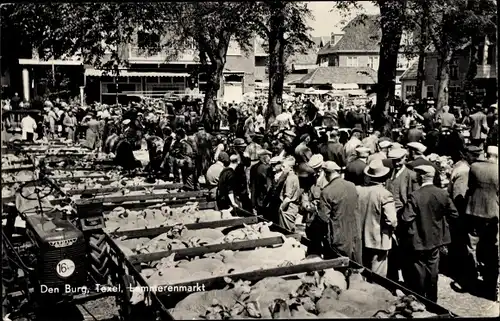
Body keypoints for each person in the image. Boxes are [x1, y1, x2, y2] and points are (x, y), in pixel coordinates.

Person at [400, 165, 458, 302]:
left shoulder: (415, 195)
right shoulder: (442, 193)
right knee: (433, 268)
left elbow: (406, 218)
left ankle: (420, 297)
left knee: (419, 268)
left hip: (418, 239)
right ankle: (432, 298)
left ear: (420, 177)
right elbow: (454, 214)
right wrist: (441, 221)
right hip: (436, 238)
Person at [462, 146, 499, 299]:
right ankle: (489, 276)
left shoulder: (475, 167)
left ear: (486, 154)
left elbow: (470, 187)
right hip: (492, 212)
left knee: (472, 243)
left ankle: (472, 272)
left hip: (474, 210)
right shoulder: (497, 170)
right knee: (491, 244)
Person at [356, 159, 398, 277]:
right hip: (378, 239)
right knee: (378, 275)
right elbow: (392, 220)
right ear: (384, 177)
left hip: (361, 237)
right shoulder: (384, 194)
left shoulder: (359, 190)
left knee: (363, 270)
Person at [318, 161, 361, 262]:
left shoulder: (326, 191)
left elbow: (323, 218)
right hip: (354, 233)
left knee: (338, 271)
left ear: (326, 173)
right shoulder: (352, 186)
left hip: (338, 236)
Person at [277, 156, 301, 231]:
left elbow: (287, 199)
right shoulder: (294, 177)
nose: (282, 168)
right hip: (292, 208)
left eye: (284, 166)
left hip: (288, 209)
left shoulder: (289, 179)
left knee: (286, 231)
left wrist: (281, 208)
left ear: (290, 168)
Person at [249, 149, 273, 216]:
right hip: (264, 194)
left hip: (256, 194)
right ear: (265, 157)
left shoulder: (254, 167)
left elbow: (251, 183)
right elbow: (268, 183)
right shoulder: (266, 168)